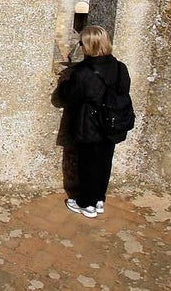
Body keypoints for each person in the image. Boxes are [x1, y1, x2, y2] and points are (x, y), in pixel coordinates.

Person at [58, 25, 132, 219]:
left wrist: (65, 83)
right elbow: (124, 90)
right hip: (113, 124)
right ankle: (99, 199)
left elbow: (69, 95)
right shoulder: (119, 67)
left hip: (90, 125)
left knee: (88, 164)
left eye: (82, 43)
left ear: (89, 45)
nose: (80, 46)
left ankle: (86, 203)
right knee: (104, 163)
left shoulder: (84, 72)